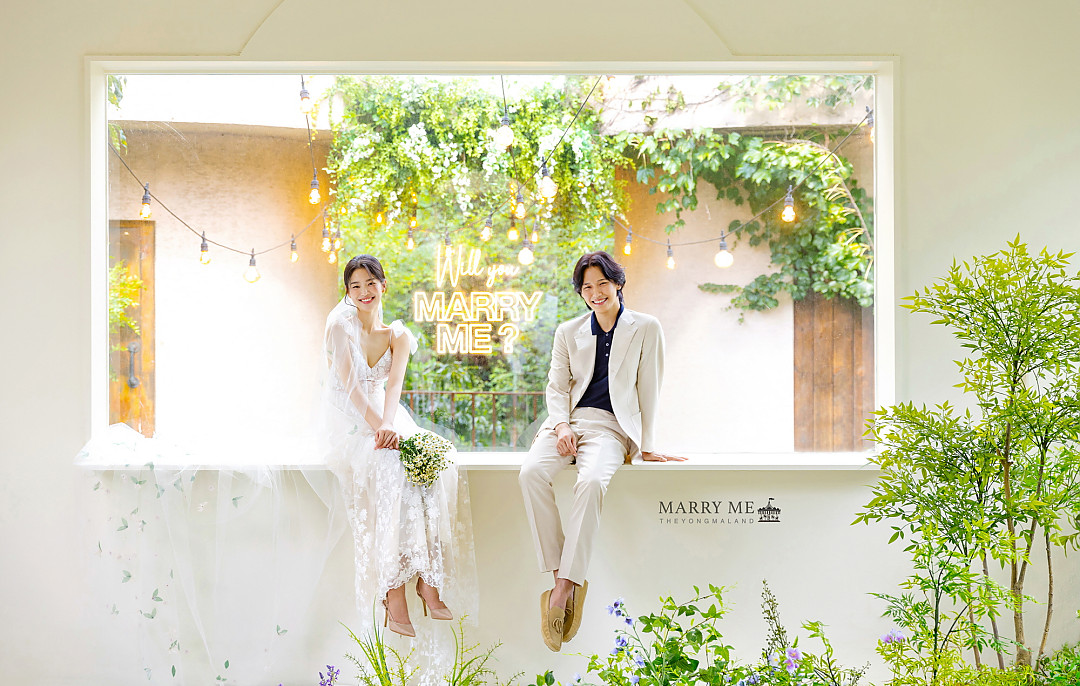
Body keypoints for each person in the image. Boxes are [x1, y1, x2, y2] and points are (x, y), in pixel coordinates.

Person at [519, 251, 685, 652]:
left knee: (592, 481)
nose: (595, 293)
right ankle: (560, 574)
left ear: (618, 284)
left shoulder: (646, 327)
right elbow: (557, 387)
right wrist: (561, 426)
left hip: (611, 428)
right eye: (587, 287)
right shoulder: (568, 331)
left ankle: (563, 589)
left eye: (602, 284)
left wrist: (647, 447)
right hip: (567, 423)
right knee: (530, 474)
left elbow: (650, 388)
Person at [322, 255, 475, 640]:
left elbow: (393, 386)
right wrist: (380, 429)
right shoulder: (340, 328)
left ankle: (427, 578)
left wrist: (389, 425)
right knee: (391, 465)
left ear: (383, 285)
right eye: (355, 286)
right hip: (349, 420)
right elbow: (352, 388)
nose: (364, 292)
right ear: (348, 292)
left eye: (370, 284)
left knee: (431, 460)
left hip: (385, 416)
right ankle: (394, 592)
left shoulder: (399, 335)